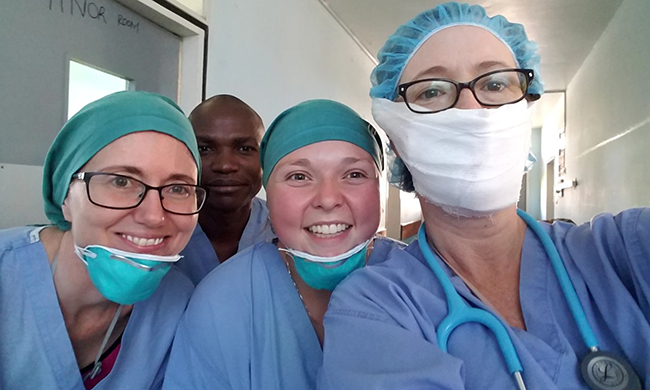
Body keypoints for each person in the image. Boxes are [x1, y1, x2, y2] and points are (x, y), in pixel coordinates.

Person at [319, 3, 649, 390]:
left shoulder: (625, 250)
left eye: (494, 84)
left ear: (525, 111)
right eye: (432, 91)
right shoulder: (376, 307)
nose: (470, 107)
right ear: (396, 139)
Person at [163, 99, 404, 390]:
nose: (328, 199)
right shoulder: (220, 303)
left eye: (354, 174)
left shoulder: (423, 283)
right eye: (299, 176)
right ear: (269, 193)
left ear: (379, 188)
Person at [0, 91, 206, 389]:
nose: (153, 216)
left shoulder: (179, 304)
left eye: (178, 188)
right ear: (65, 196)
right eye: (121, 181)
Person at [176, 95, 274, 285]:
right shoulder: (157, 231)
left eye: (245, 149)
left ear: (265, 157)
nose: (225, 165)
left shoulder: (287, 233)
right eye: (204, 149)